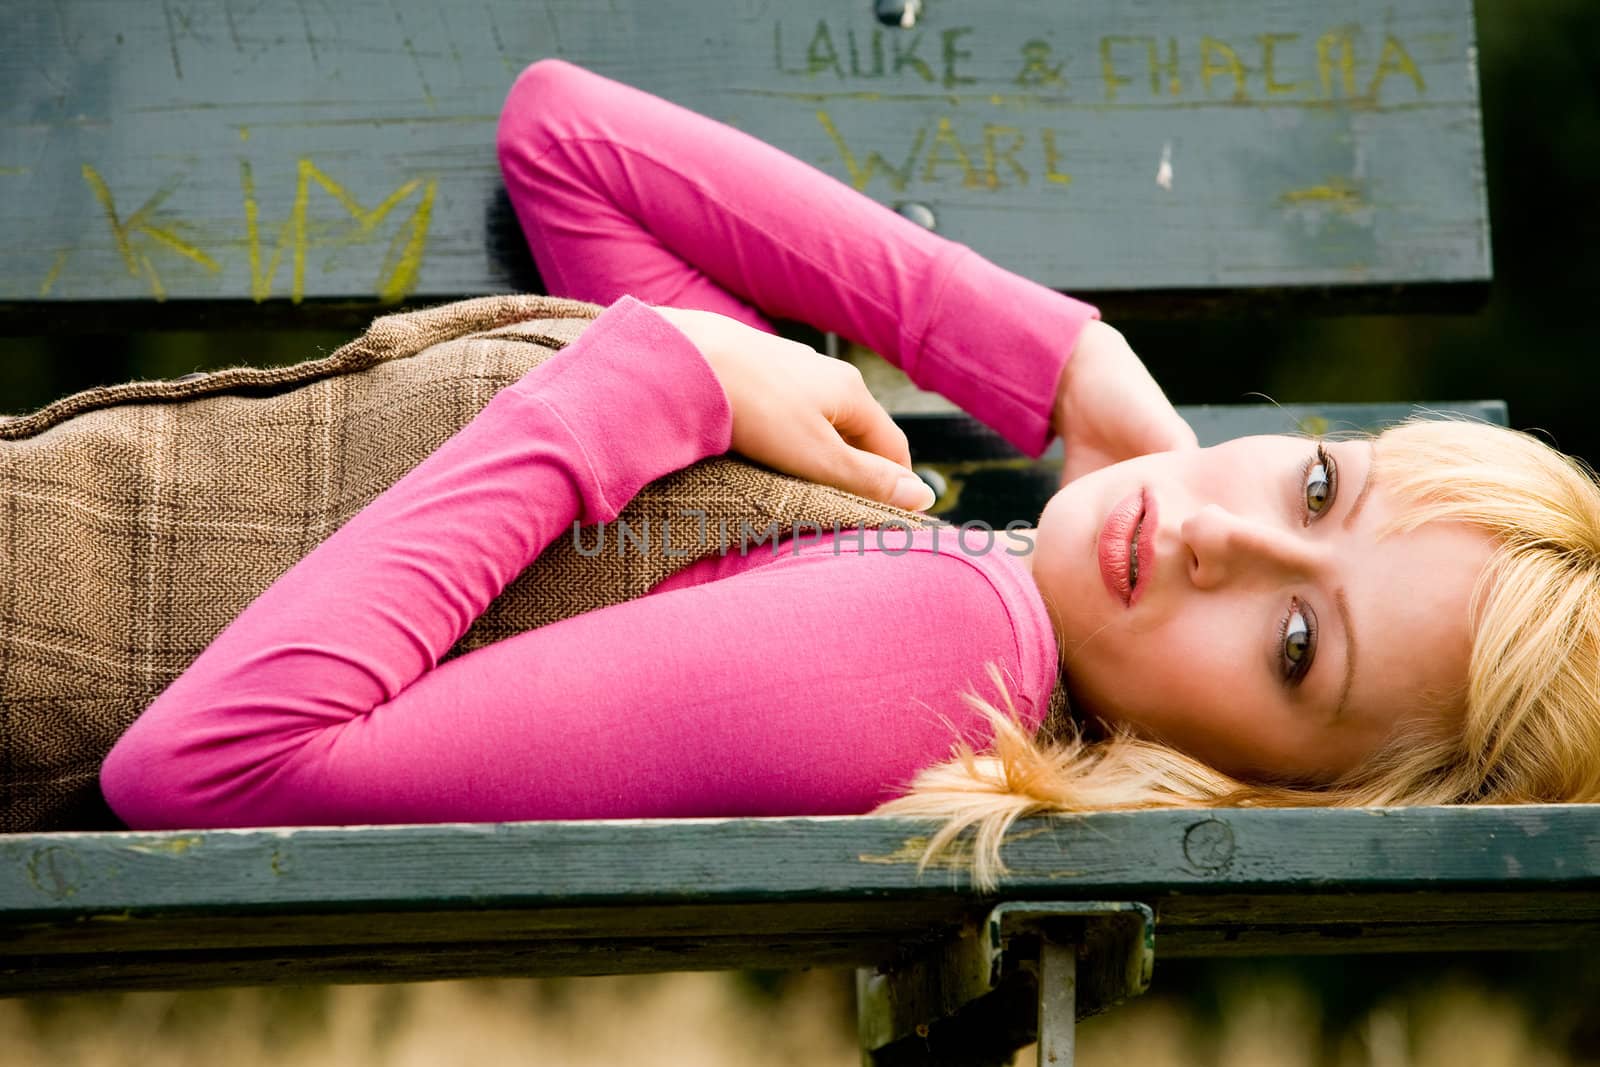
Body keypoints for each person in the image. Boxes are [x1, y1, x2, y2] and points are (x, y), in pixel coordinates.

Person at [99, 61, 1600, 887]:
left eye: (1294, 646)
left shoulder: (939, 647)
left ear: (1281, 794)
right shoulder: (891, 537)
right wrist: (1053, 361)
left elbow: (209, 782)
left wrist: (665, 376)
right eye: (1319, 491)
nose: (1228, 543)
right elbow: (567, 142)